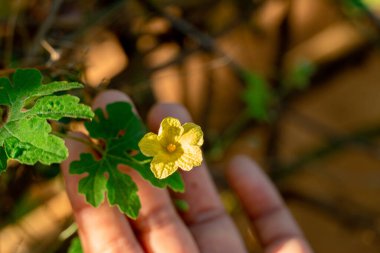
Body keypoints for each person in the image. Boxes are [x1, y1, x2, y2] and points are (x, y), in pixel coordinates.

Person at [61, 90, 313, 253]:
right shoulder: (157, 144)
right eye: (170, 145)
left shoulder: (179, 153)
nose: (172, 147)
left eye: (173, 146)